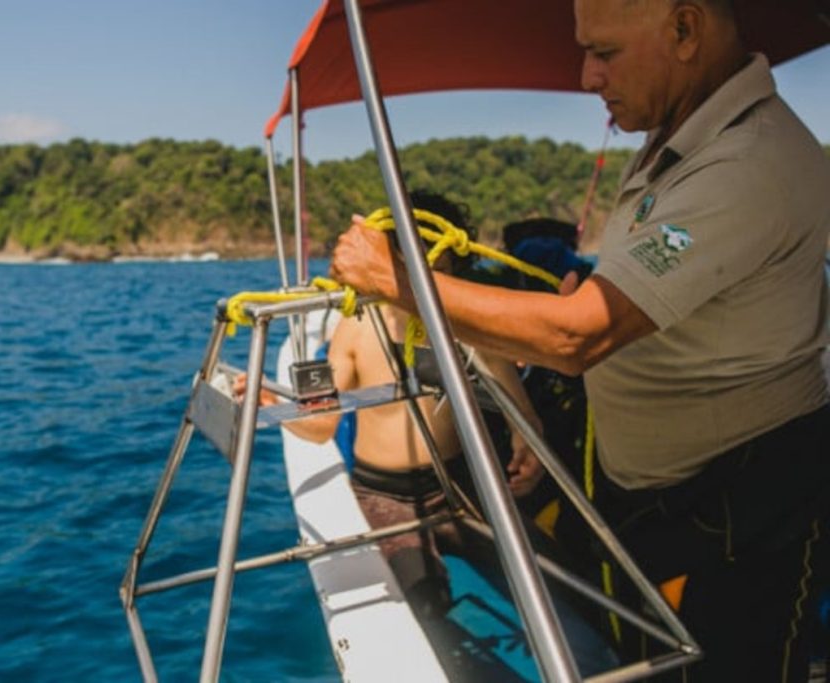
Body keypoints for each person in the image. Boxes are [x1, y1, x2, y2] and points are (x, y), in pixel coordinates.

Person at [329, 1, 830, 680]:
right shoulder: (679, 140)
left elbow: (577, 336)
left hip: (740, 511)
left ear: (684, 30)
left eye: (605, 52)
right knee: (650, 654)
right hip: (661, 498)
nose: (589, 76)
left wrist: (398, 279)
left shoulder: (747, 160)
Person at [238, 191, 547, 617]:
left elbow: (522, 415)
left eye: (441, 275)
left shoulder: (467, 326)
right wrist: (272, 401)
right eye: (416, 274)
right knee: (423, 601)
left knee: (549, 570)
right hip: (386, 498)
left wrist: (527, 447)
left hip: (458, 485)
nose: (427, 291)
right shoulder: (354, 326)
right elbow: (321, 425)